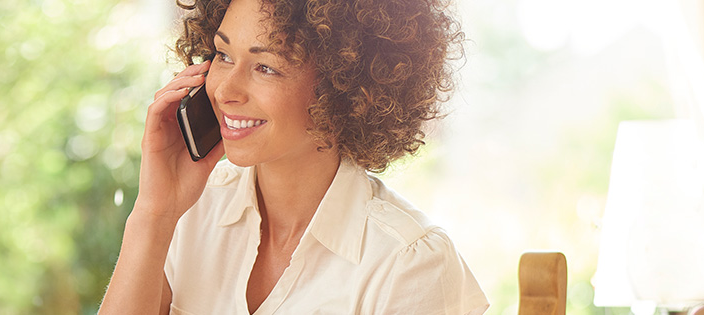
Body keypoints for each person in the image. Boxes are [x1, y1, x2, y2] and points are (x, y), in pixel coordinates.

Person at [100, 0, 486, 312]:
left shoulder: (409, 264)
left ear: (343, 86)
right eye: (223, 55)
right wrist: (154, 214)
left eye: (266, 67)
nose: (224, 91)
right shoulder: (192, 211)